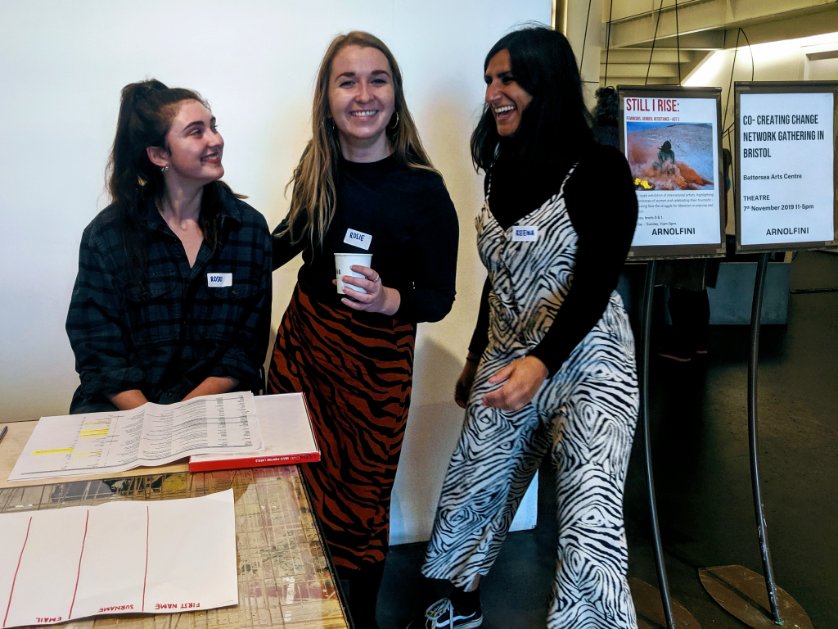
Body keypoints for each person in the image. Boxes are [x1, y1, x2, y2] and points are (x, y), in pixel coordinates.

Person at [413, 25, 639, 628]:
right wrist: (473, 356)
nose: (492, 92)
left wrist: (543, 362)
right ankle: (454, 600)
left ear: (546, 82)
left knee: (589, 507)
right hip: (510, 350)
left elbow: (597, 281)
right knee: (475, 476)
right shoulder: (503, 166)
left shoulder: (601, 169)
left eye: (507, 78)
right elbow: (500, 273)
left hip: (590, 361)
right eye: (489, 80)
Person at [268, 31, 459, 628]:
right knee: (291, 484)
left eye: (377, 79)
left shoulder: (424, 189)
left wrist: (389, 299)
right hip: (304, 353)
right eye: (346, 81)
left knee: (363, 499)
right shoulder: (316, 172)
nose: (363, 94)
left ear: (395, 96)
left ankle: (361, 620)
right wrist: (204, 238)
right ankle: (300, 610)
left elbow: (439, 298)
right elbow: (284, 243)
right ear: (327, 98)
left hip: (376, 369)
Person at [66, 80, 272, 413]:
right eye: (196, 132)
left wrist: (180, 417)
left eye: (213, 127)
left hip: (212, 409)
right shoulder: (106, 236)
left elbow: (244, 349)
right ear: (160, 154)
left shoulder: (247, 229)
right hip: (126, 411)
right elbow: (99, 351)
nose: (215, 140)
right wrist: (150, 420)